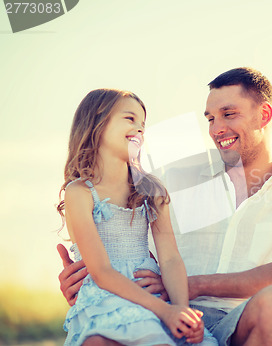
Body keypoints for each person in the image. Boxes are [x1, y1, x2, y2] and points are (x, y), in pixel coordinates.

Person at [58, 68, 272, 346]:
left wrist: (195, 285)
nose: (216, 129)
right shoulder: (172, 179)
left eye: (229, 114)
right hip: (163, 315)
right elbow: (127, 249)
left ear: (264, 115)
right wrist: (88, 281)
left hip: (243, 321)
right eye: (211, 119)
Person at [56, 88, 217, 345]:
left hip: (150, 295)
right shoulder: (80, 192)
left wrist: (182, 312)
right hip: (105, 297)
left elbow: (171, 259)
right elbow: (101, 271)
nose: (139, 129)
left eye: (143, 124)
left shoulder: (151, 190)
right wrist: (164, 310)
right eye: (130, 119)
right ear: (96, 123)